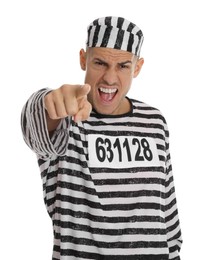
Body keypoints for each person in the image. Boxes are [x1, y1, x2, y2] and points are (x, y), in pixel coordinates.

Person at [21, 16, 182, 260]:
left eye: (123, 66)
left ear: (137, 67)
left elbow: (166, 208)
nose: (109, 78)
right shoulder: (67, 119)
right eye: (100, 63)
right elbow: (36, 126)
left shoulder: (155, 121)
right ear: (83, 59)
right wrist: (48, 102)